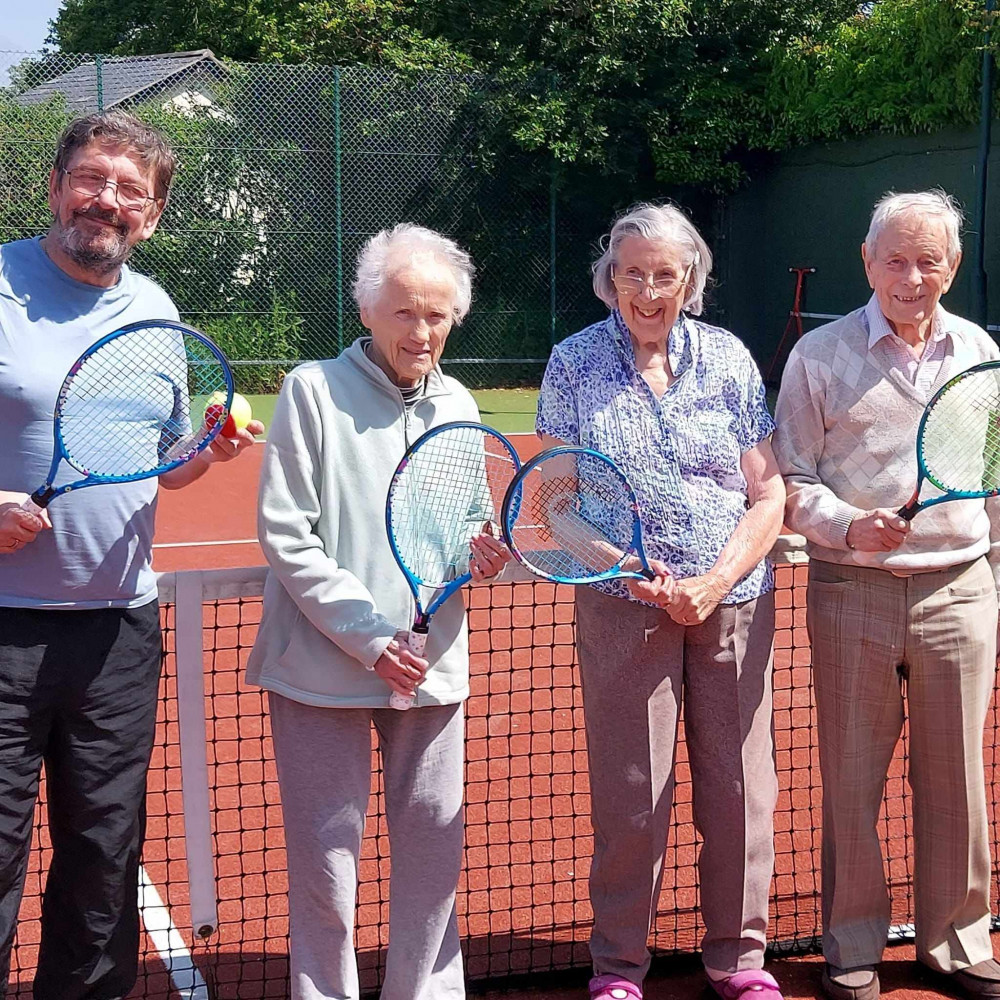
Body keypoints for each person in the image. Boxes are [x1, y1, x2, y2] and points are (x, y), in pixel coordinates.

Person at [0, 110, 263, 998]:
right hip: (1, 631)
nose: (106, 202)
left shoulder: (156, 311)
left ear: (150, 217)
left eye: (130, 192)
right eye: (93, 179)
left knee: (103, 860)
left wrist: (209, 449)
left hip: (117, 633)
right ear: (56, 186)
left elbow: (163, 466)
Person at [246, 223, 509, 1000]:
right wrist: (369, 638)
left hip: (432, 669)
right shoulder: (311, 391)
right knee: (327, 868)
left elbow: (464, 524)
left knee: (434, 856)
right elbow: (287, 532)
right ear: (369, 311)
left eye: (435, 315)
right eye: (404, 312)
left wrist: (478, 551)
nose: (420, 331)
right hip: (321, 670)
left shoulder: (461, 403)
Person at [535, 203, 786, 1000]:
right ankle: (618, 965)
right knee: (633, 791)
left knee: (740, 790)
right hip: (623, 606)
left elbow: (767, 491)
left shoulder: (729, 360)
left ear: (690, 282)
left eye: (665, 275)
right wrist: (625, 568)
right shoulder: (573, 362)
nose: (648, 289)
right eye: (631, 272)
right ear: (610, 279)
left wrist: (713, 581)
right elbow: (557, 503)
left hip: (734, 601)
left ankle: (738, 960)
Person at [773, 190, 1000, 1000]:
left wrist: (992, 572)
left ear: (951, 265)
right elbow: (790, 482)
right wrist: (844, 525)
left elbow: (996, 480)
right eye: (895, 258)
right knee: (851, 779)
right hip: (851, 592)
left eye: (928, 259)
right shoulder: (820, 358)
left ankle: (958, 945)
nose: (912, 275)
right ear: (867, 263)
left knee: (957, 782)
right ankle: (853, 947)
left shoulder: (981, 355)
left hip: (961, 592)